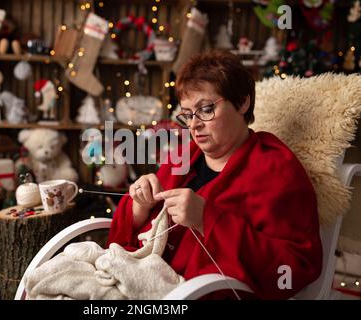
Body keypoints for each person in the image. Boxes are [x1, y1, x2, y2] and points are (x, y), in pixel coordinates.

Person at [107, 50, 323, 299]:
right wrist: (139, 208)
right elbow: (123, 238)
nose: (194, 125)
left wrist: (207, 219)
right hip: (144, 282)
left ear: (242, 103)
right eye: (188, 114)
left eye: (206, 109)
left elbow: (293, 269)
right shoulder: (185, 156)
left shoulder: (275, 168)